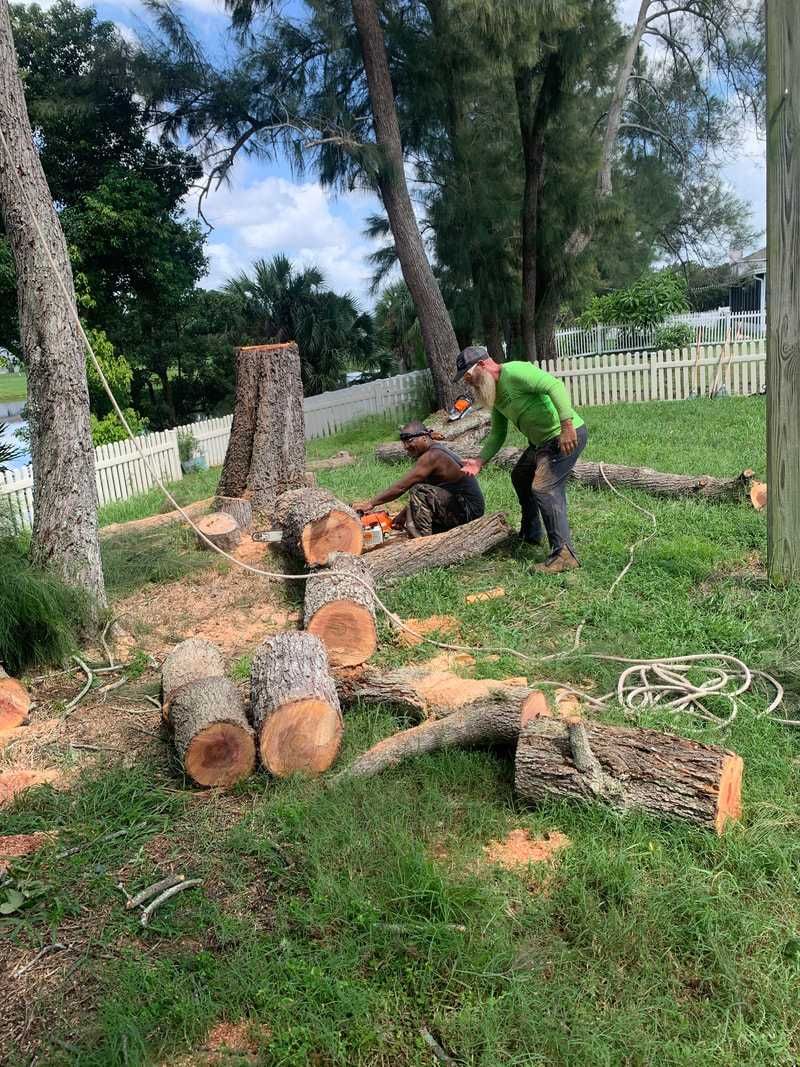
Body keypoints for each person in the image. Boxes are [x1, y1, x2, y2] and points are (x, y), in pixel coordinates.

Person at [456, 345, 587, 574]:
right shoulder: (495, 393)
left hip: (563, 435)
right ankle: (531, 533)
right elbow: (498, 433)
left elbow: (554, 385)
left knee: (545, 488)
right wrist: (479, 461)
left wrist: (566, 425)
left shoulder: (515, 372)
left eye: (468, 376)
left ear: (484, 365)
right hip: (541, 444)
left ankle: (564, 555)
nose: (468, 382)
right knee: (521, 476)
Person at [352, 420, 485, 537]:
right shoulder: (433, 451)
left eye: (410, 441)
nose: (406, 447)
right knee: (418, 490)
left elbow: (401, 487)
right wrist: (404, 515)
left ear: (424, 438)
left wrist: (371, 504)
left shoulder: (433, 456)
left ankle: (423, 540)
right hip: (463, 507)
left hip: (469, 512)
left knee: (419, 490)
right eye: (404, 443)